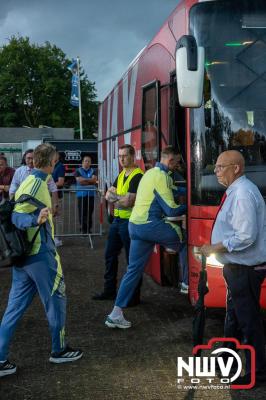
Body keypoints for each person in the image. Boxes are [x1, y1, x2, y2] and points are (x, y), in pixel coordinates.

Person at [0, 143, 83, 378]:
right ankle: (59, 350)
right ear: (51, 161)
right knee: (56, 300)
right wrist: (35, 219)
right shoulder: (37, 182)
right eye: (55, 159)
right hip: (39, 256)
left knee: (13, 309)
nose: (56, 163)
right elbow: (17, 215)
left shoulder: (30, 180)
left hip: (25, 257)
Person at [200, 150, 266, 385]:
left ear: (236, 168)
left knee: (248, 322)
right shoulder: (237, 191)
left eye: (220, 167)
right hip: (238, 268)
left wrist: (215, 247)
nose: (215, 171)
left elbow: (246, 236)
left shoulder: (242, 194)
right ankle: (227, 364)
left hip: (245, 269)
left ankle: (257, 372)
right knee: (235, 319)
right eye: (215, 167)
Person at [105, 146, 186, 328]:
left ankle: (115, 313)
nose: (178, 166)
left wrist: (185, 191)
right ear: (171, 161)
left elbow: (174, 190)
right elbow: (171, 210)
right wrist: (190, 205)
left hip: (134, 226)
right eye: (178, 162)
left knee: (133, 269)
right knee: (185, 241)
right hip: (150, 226)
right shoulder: (161, 176)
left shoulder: (149, 173)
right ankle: (186, 283)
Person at [92, 144, 144, 304]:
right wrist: (118, 198)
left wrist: (115, 198)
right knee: (109, 255)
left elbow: (128, 202)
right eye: (120, 156)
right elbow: (109, 194)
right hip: (117, 221)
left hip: (130, 222)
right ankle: (109, 291)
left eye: (125, 156)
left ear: (132, 156)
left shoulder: (138, 175)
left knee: (131, 261)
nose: (121, 159)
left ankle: (133, 297)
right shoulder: (121, 175)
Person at [9, 149, 59, 216]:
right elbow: (13, 189)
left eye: (32, 158)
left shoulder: (44, 171)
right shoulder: (19, 171)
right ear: (24, 158)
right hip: (23, 206)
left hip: (40, 206)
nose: (30, 161)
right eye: (28, 158)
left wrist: (55, 205)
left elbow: (53, 188)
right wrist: (12, 205)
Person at [75, 155, 97, 234]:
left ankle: (89, 229)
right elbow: (80, 181)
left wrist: (85, 180)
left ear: (90, 163)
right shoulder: (78, 170)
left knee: (89, 212)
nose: (87, 162)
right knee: (82, 212)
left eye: (89, 161)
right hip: (81, 195)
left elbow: (94, 181)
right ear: (82, 162)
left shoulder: (93, 170)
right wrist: (89, 180)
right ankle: (83, 229)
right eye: (85, 161)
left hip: (91, 195)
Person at [52, 151, 65, 246]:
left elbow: (60, 182)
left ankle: (58, 238)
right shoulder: (51, 166)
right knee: (52, 218)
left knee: (58, 218)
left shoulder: (60, 166)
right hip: (49, 196)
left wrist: (48, 185)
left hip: (57, 196)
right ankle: (53, 237)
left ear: (58, 156)